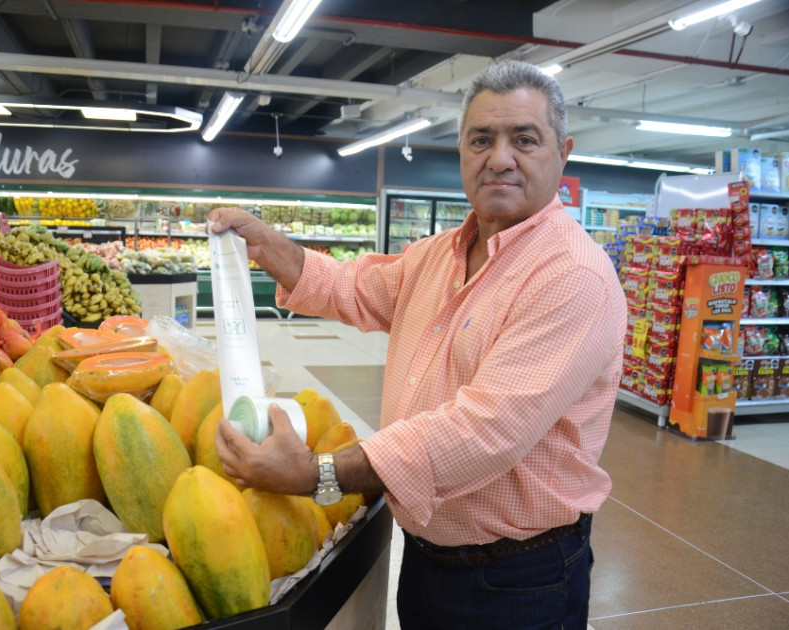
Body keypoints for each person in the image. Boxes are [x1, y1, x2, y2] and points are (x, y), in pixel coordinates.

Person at [211, 60, 627, 629]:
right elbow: (352, 286)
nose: (500, 157)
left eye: (524, 140)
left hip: (519, 579)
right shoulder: (438, 255)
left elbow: (480, 432)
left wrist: (317, 473)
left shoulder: (571, 276)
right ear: (460, 150)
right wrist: (267, 245)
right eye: (481, 139)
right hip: (429, 560)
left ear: (563, 152)